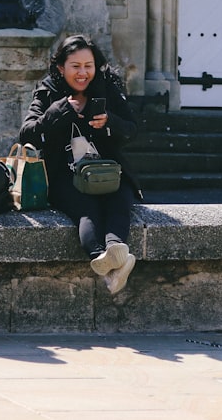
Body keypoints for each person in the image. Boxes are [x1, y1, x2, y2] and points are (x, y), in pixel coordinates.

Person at [20, 34, 141, 294]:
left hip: (108, 171)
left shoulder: (107, 85)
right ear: (61, 67)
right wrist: (61, 110)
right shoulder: (49, 90)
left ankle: (114, 252)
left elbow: (132, 129)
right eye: (75, 67)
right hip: (65, 175)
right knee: (87, 210)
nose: (83, 73)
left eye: (89, 66)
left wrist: (109, 122)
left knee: (120, 200)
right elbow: (27, 134)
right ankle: (103, 258)